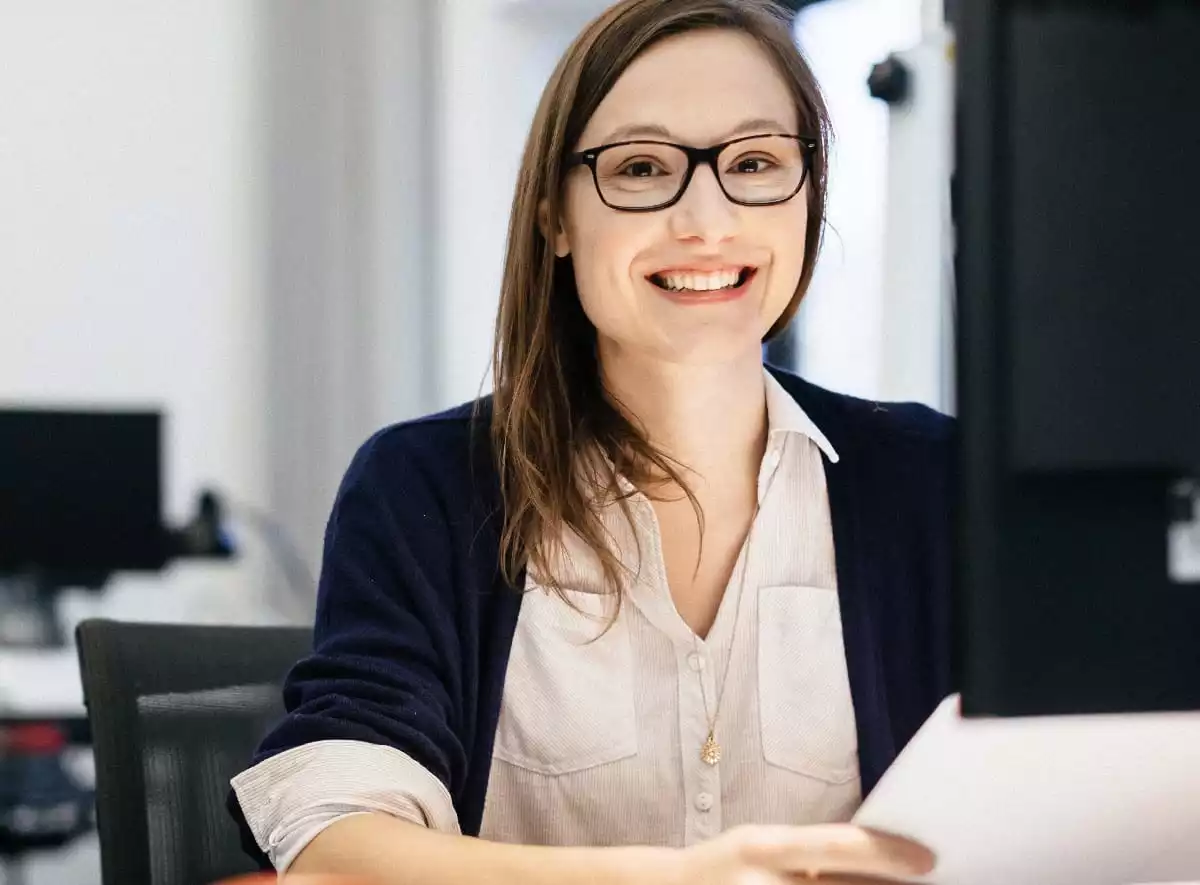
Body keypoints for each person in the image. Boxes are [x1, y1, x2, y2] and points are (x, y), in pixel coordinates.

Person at [228, 1, 954, 882]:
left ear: (809, 198)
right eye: (642, 167)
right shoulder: (426, 487)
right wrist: (682, 879)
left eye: (756, 162)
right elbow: (333, 843)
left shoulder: (934, 481)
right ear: (556, 219)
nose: (706, 219)